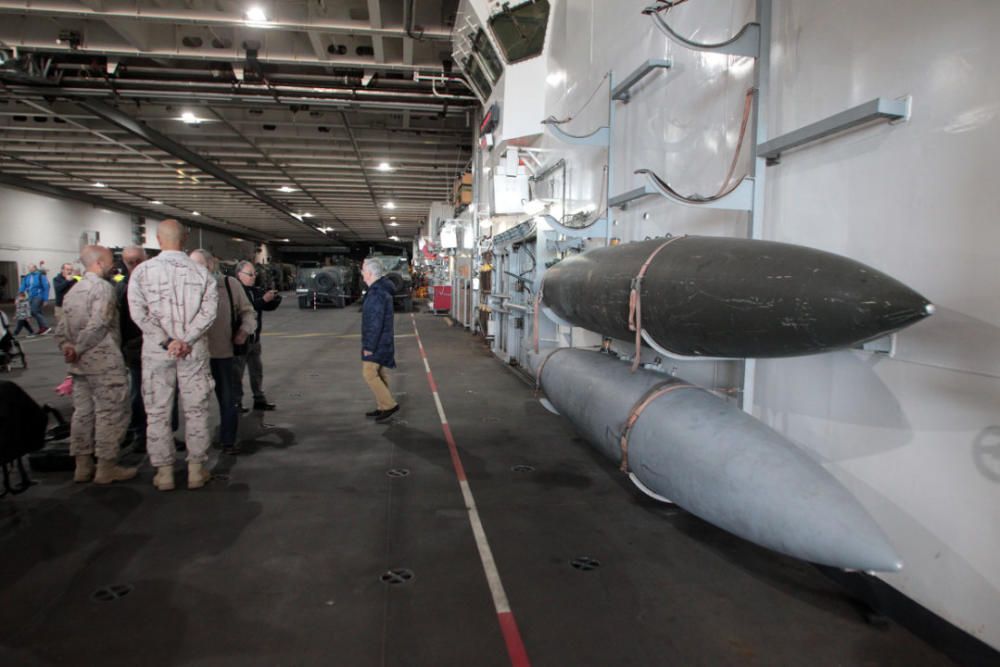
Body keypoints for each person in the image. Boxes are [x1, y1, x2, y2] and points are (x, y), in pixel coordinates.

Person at [128, 219, 218, 491]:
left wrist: (166, 340)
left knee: (157, 411)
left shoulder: (142, 272)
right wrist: (186, 339)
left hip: (157, 353)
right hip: (193, 351)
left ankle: (164, 472)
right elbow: (209, 313)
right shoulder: (202, 273)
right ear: (185, 239)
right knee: (196, 409)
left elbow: (138, 313)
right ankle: (195, 470)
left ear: (157, 239)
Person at [54, 245, 136, 484]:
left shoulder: (73, 291)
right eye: (111, 261)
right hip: (104, 364)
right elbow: (99, 324)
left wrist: (69, 348)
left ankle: (82, 466)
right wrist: (78, 347)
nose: (114, 267)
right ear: (99, 263)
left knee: (83, 414)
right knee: (110, 412)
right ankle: (106, 466)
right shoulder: (102, 288)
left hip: (79, 366)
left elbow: (61, 330)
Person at [190, 249, 255, 455]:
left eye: (199, 264)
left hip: (222, 354)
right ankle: (196, 447)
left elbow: (248, 311)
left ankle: (228, 440)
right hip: (192, 357)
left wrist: (244, 331)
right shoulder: (185, 287)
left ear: (210, 265)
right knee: (193, 404)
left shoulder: (229, 285)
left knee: (228, 399)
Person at [233, 260, 281, 412]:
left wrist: (274, 298)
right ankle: (236, 403)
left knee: (256, 371)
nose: (254, 277)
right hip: (241, 340)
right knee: (237, 374)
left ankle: (259, 399)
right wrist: (263, 300)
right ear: (239, 275)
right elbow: (248, 310)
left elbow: (267, 306)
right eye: (250, 274)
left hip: (254, 340)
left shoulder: (254, 290)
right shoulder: (236, 292)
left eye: (255, 274)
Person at [360, 257, 399, 422]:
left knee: (369, 373)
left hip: (377, 341)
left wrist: (369, 346)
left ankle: (389, 405)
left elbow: (375, 323)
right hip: (382, 340)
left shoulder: (377, 293)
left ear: (368, 273)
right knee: (379, 372)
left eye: (363, 270)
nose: (362, 273)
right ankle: (382, 405)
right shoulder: (379, 290)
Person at [118, 246, 148, 450]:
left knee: (141, 392)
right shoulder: (129, 288)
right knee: (141, 392)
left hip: (136, 347)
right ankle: (140, 433)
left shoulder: (120, 286)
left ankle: (141, 433)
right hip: (140, 347)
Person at [19, 263, 50, 334]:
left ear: (35, 268)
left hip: (39, 296)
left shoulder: (41, 276)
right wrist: (20, 292)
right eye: (28, 268)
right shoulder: (27, 276)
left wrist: (45, 299)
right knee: (37, 312)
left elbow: (46, 287)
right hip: (31, 296)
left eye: (30, 267)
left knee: (34, 311)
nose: (29, 269)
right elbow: (23, 285)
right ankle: (42, 328)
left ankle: (45, 326)